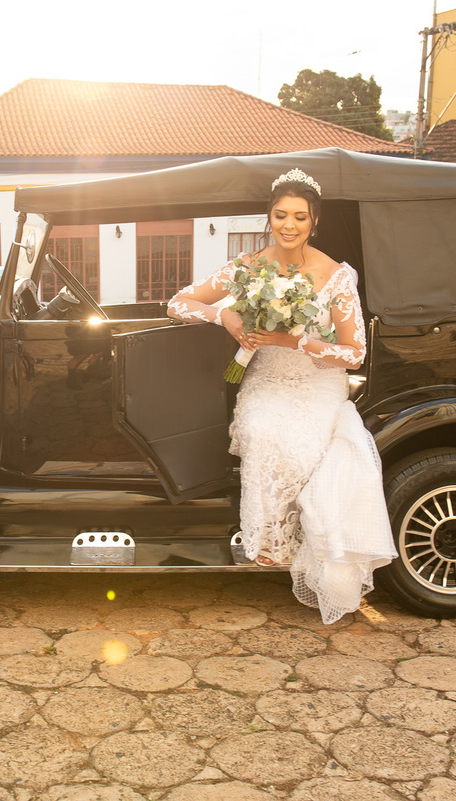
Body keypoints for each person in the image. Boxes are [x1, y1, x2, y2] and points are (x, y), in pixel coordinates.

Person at [167, 168, 396, 623]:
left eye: (300, 217)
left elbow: (354, 353)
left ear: (315, 222)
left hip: (316, 384)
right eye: (281, 215)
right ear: (268, 217)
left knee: (302, 446)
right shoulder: (248, 268)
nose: (289, 225)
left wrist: (300, 342)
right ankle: (271, 540)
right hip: (265, 381)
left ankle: (301, 542)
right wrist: (225, 318)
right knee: (262, 429)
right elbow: (177, 303)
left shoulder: (334, 276)